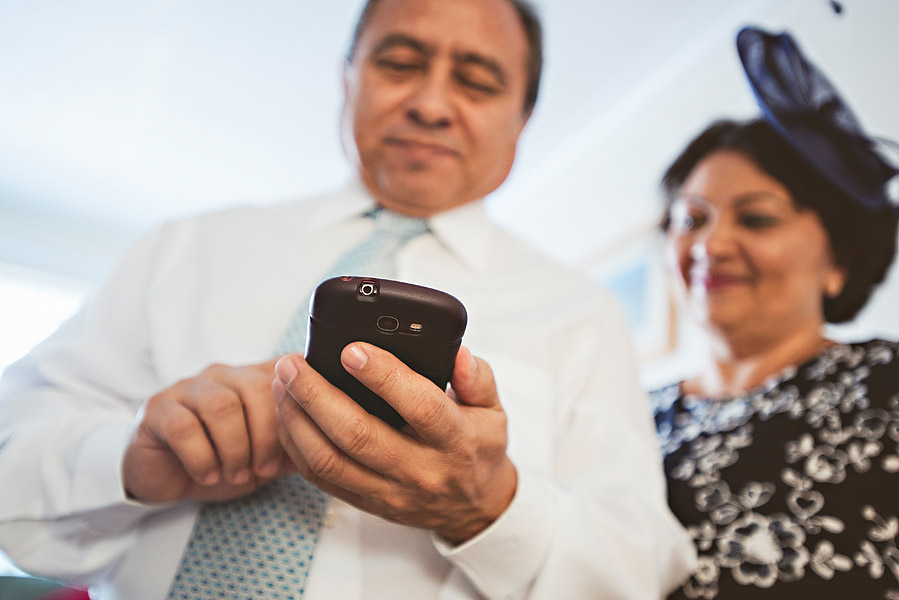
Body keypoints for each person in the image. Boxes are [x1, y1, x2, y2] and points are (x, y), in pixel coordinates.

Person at [0, 0, 695, 598]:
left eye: (477, 82)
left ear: (522, 118)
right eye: (398, 62)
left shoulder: (581, 311)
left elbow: (638, 570)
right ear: (347, 76)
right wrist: (128, 459)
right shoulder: (180, 249)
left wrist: (489, 508)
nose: (429, 103)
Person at [651, 26, 899, 599]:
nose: (711, 245)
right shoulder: (625, 416)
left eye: (757, 218)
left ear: (838, 260)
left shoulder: (887, 383)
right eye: (692, 219)